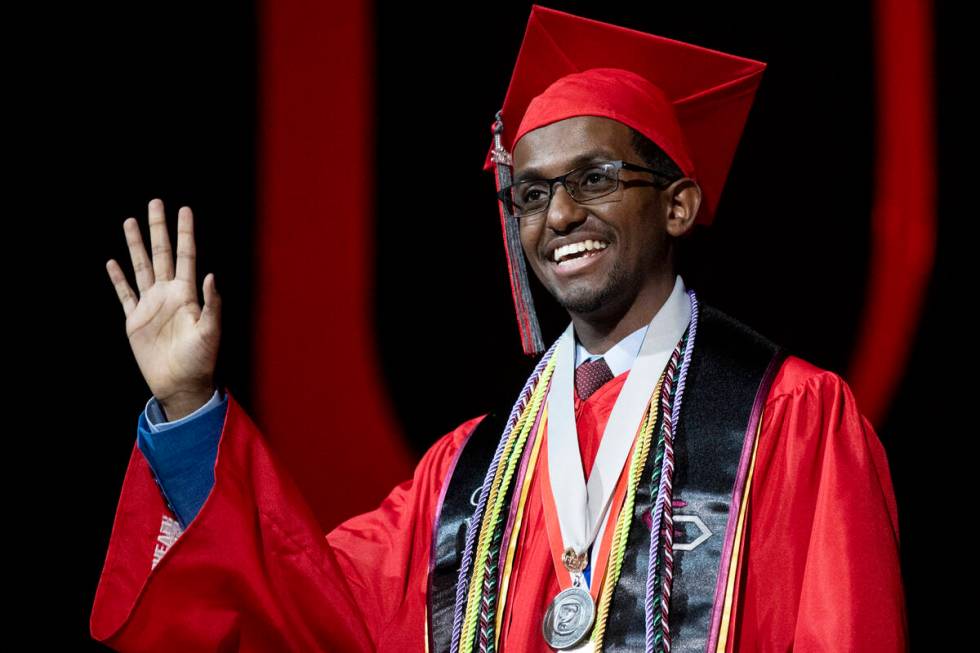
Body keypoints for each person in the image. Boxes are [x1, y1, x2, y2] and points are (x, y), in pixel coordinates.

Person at [91, 5, 908, 652]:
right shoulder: (463, 476)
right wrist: (192, 410)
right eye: (531, 192)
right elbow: (310, 606)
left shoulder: (795, 422)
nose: (559, 215)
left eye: (595, 178)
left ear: (678, 204)